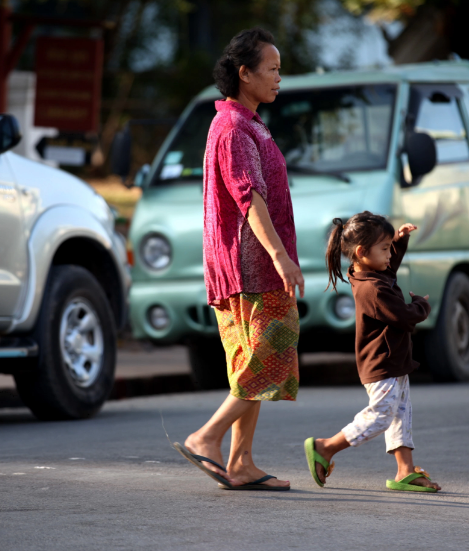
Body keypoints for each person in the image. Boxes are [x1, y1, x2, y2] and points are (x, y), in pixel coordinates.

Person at [172, 28, 304, 491]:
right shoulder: (232, 128)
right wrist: (281, 258)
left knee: (254, 362)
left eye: (279, 70)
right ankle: (205, 437)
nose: (278, 78)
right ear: (244, 74)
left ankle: (241, 462)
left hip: (249, 266)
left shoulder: (246, 123)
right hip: (251, 268)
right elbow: (249, 199)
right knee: (267, 357)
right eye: (271, 69)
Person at [303, 212, 442, 492]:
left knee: (401, 414)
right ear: (361, 252)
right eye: (384, 248)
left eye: (390, 247)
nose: (389, 254)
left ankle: (405, 471)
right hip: (381, 364)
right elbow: (403, 316)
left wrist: (398, 242)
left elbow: (388, 269)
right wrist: (421, 306)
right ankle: (326, 447)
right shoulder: (373, 289)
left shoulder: (369, 273)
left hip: (393, 360)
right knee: (382, 414)